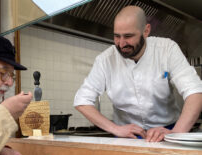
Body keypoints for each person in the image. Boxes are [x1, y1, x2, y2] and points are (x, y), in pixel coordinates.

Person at [74, 6, 202, 142]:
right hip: (126, 135)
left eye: (128, 36)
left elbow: (195, 92)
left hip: (167, 130)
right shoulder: (105, 60)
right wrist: (115, 129)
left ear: (146, 31)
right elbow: (82, 100)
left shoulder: (167, 49)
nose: (121, 44)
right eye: (117, 36)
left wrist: (175, 134)